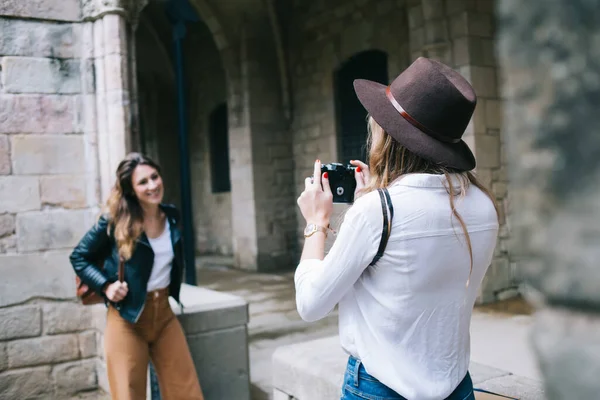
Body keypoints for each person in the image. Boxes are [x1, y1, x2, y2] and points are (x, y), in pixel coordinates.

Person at [295, 57, 499, 400]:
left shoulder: (379, 212)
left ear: (388, 136)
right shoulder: (484, 205)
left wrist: (316, 222)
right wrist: (371, 201)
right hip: (457, 388)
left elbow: (310, 304)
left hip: (380, 390)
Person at [70, 153, 204, 400]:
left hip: (163, 315)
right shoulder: (114, 221)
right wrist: (106, 286)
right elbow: (79, 256)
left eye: (155, 177)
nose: (152, 185)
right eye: (143, 182)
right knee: (128, 394)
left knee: (186, 392)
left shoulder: (171, 216)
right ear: (131, 190)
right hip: (127, 319)